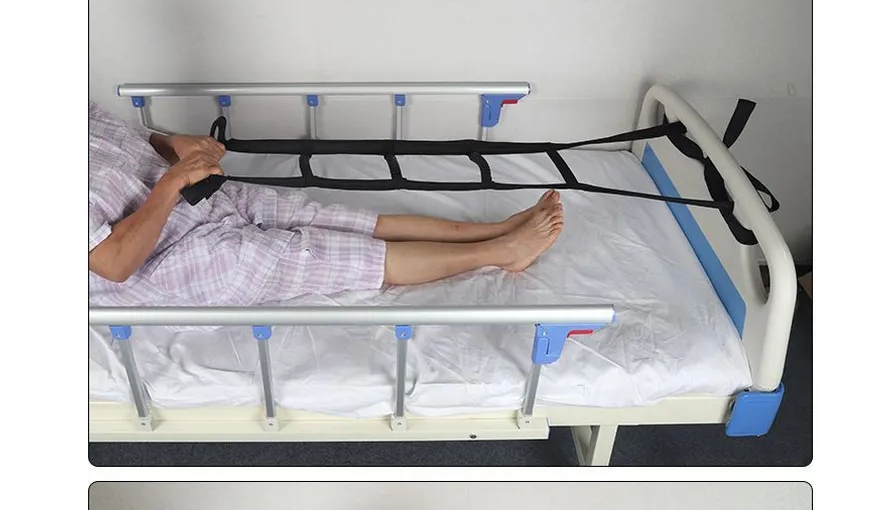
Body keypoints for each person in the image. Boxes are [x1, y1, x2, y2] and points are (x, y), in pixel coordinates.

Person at [88, 103, 565, 307]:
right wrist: (172, 183)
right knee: (313, 250)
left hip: (193, 199)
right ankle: (500, 252)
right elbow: (114, 264)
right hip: (168, 260)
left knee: (326, 217)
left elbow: (138, 139)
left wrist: (176, 145)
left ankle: (494, 230)